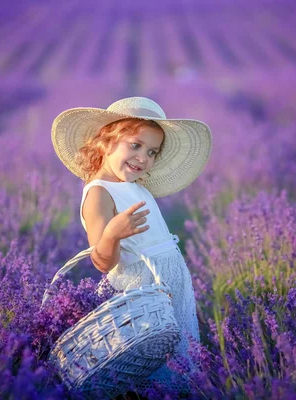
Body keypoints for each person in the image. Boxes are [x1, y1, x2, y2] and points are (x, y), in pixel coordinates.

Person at [51, 96, 212, 396]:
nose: (143, 158)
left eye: (152, 152)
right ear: (106, 141)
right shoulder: (99, 193)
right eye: (135, 145)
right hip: (143, 293)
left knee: (180, 358)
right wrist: (112, 233)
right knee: (153, 364)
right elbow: (102, 261)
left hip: (169, 285)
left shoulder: (134, 186)